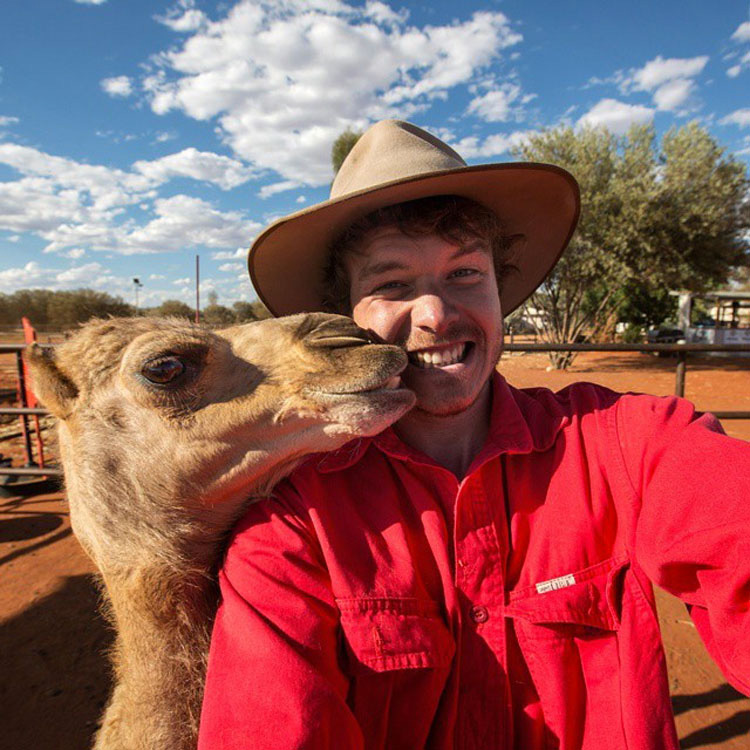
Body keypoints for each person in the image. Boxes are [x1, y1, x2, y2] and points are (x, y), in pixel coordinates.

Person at [198, 120, 750, 749]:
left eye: (464, 273)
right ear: (344, 317)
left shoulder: (631, 444)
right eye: (391, 284)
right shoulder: (297, 520)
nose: (435, 314)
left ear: (498, 288)